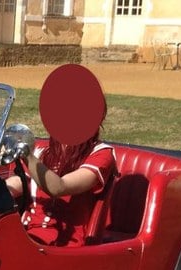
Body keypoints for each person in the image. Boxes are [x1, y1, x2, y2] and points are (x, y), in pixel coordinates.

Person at [6, 64, 117, 247]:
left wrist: (24, 153)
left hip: (64, 246)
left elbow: (59, 187)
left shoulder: (102, 154)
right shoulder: (43, 152)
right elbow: (17, 185)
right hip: (26, 239)